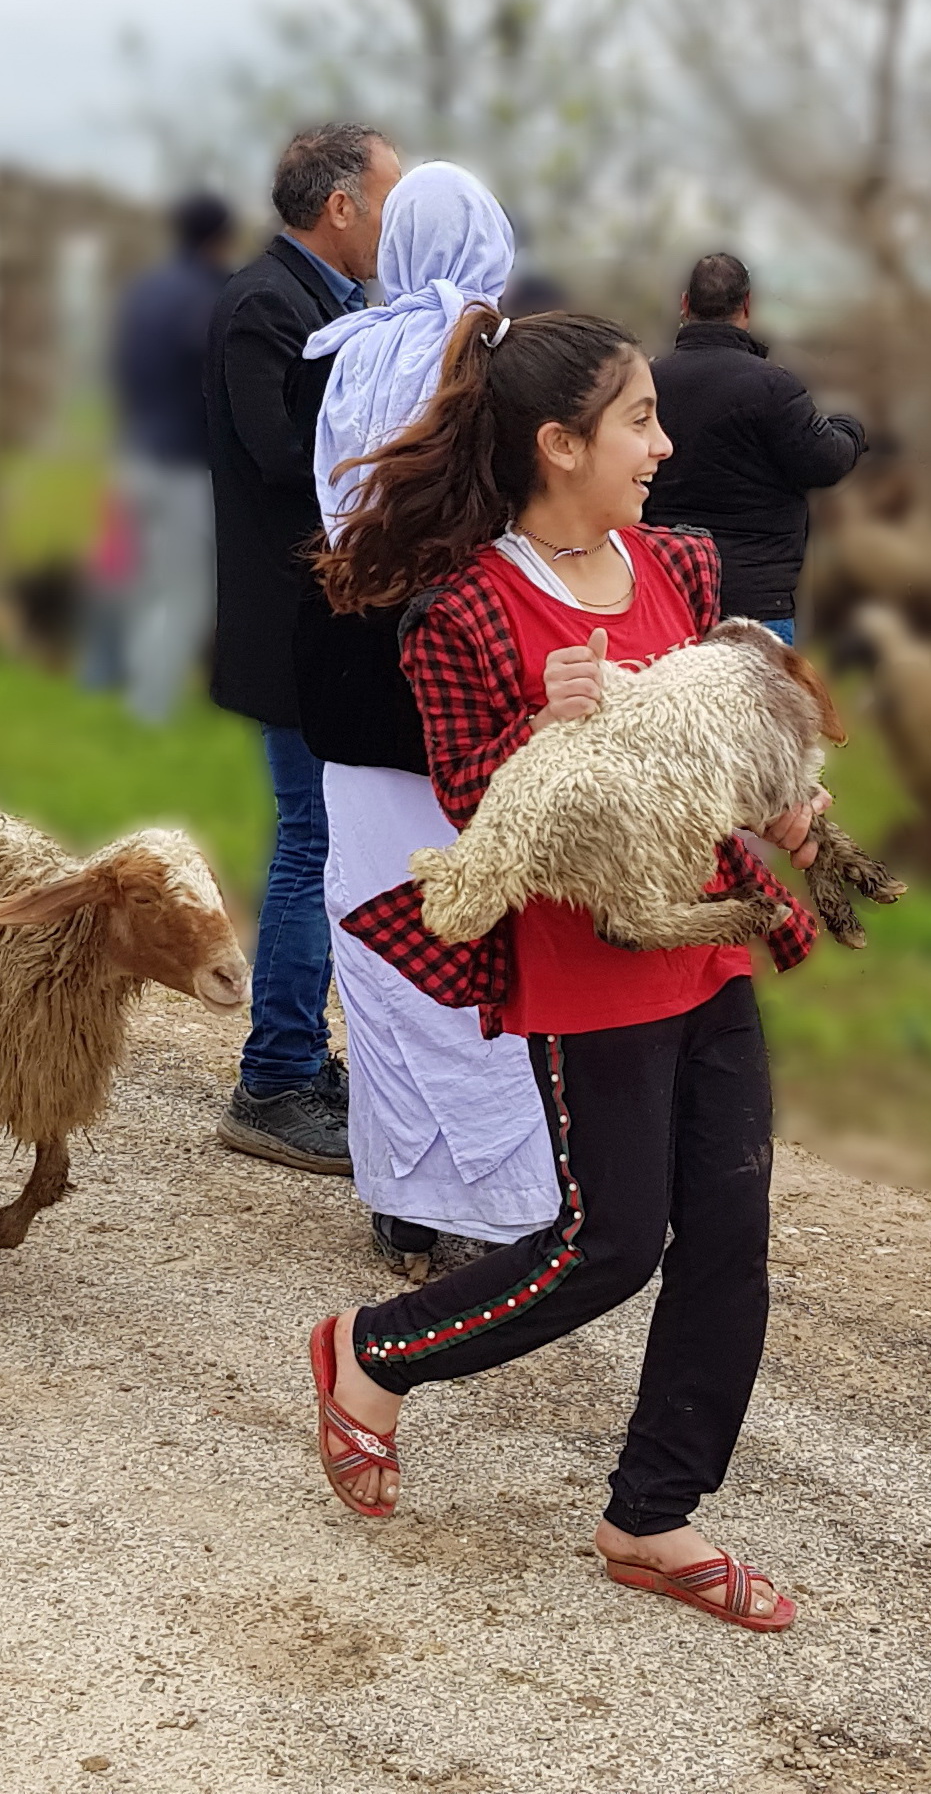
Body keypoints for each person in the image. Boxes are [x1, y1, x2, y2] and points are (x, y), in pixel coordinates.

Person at [306, 306, 826, 1632]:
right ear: (557, 443)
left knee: (727, 1236)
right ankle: (373, 1353)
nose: (661, 443)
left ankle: (650, 1515)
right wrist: (543, 720)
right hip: (580, 963)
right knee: (609, 1244)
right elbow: (474, 809)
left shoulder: (679, 570)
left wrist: (779, 803)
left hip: (700, 938)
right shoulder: (465, 612)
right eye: (638, 419)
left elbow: (715, 742)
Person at [299, 162, 556, 1276]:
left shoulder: (353, 349)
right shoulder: (493, 354)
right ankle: (511, 1197)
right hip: (462, 671)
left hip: (350, 662)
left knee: (379, 936)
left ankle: (402, 1196)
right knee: (486, 942)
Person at [205, 123, 402, 1174]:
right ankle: (274, 1073)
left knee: (324, 841)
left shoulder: (327, 305)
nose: (393, 221)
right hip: (290, 625)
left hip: (322, 619)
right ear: (339, 207)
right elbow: (283, 460)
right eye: (387, 198)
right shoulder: (265, 308)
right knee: (309, 845)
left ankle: (298, 1049)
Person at [645, 252, 866, 644]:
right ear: (747, 305)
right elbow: (825, 461)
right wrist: (851, 427)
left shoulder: (646, 384)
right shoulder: (772, 387)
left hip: (666, 596)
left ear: (685, 304)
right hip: (757, 608)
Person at [111, 191, 234, 723]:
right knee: (188, 594)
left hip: (135, 454)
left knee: (147, 584)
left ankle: (133, 688)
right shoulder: (212, 294)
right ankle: (149, 709)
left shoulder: (143, 292)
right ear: (220, 238)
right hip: (186, 464)